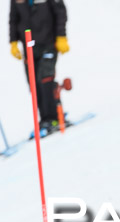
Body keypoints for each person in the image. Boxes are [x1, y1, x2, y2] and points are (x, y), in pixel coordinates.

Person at [9, 0, 69, 134]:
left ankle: (53, 117)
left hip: (48, 42)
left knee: (45, 77)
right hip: (29, 46)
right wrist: (13, 41)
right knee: (33, 83)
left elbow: (60, 12)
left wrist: (61, 36)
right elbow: (13, 18)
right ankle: (44, 119)